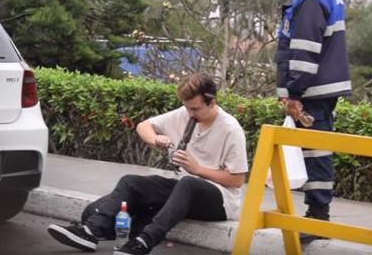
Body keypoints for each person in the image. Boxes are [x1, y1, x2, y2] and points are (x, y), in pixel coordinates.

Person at [47, 73, 248, 255]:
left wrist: (198, 169)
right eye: (187, 108)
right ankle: (90, 232)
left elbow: (237, 180)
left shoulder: (230, 129)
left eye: (195, 108)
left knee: (189, 183)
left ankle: (143, 242)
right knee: (126, 185)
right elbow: (144, 126)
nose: (190, 114)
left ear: (212, 102)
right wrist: (156, 140)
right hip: (183, 185)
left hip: (220, 199)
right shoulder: (185, 113)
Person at [275, 0, 352, 243]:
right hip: (321, 87)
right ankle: (317, 214)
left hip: (313, 90)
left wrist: (294, 93)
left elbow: (305, 50)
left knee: (315, 151)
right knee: (316, 148)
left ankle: (318, 217)